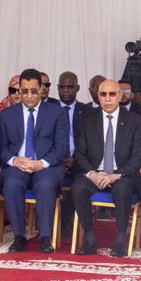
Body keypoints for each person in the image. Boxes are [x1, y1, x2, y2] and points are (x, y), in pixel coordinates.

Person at [71, 79, 141, 257]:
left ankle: (120, 241)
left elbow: (138, 157)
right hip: (95, 173)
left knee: (122, 189)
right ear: (98, 96)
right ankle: (89, 239)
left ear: (120, 96)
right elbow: (79, 154)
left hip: (121, 175)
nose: (107, 98)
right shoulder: (87, 120)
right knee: (78, 188)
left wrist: (115, 175)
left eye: (112, 94)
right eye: (103, 94)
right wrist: (92, 174)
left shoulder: (135, 120)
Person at [0, 68, 69, 253]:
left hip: (46, 165)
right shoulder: (8, 114)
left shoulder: (57, 113)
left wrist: (41, 163)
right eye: (24, 91)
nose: (29, 96)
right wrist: (14, 160)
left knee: (45, 185)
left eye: (33, 91)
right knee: (12, 184)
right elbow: (1, 147)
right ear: (19, 90)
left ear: (42, 89)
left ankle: (45, 237)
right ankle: (19, 237)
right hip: (18, 165)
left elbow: (62, 147)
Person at [57, 71, 93, 235]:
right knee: (47, 182)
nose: (66, 90)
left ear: (77, 88)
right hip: (54, 162)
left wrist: (76, 160)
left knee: (78, 185)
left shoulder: (88, 112)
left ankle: (64, 221)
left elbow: (91, 143)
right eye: (62, 87)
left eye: (70, 87)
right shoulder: (49, 110)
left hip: (79, 163)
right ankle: (47, 221)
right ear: (57, 88)